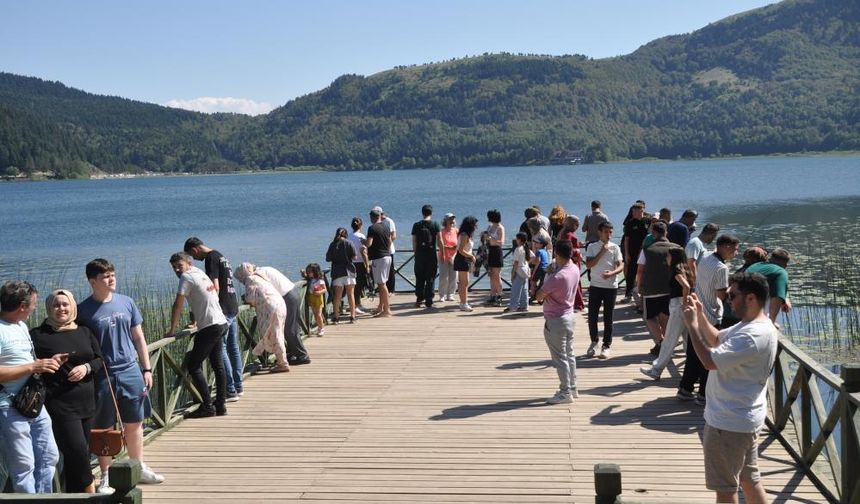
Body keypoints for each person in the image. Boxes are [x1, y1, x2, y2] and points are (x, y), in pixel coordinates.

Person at [682, 273, 777, 503]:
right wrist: (702, 316)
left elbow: (709, 361)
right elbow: (716, 340)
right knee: (750, 481)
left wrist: (692, 325)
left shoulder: (752, 336)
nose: (728, 300)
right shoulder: (755, 326)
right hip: (745, 419)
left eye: (733, 295)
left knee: (725, 489)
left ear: (751, 298)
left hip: (728, 424)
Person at [76, 259, 164, 493]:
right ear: (92, 281)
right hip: (102, 374)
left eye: (113, 274)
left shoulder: (127, 302)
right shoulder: (82, 310)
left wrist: (146, 368)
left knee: (135, 421)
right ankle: (106, 474)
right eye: (105, 276)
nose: (111, 279)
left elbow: (139, 338)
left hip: (130, 370)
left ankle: (138, 466)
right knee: (103, 425)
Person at [31, 289, 103, 493]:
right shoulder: (38, 335)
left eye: (65, 304)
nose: (61, 308)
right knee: (78, 451)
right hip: (59, 403)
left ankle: (73, 495)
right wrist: (46, 363)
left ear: (72, 306)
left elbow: (99, 359)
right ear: (48, 308)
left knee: (79, 454)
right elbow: (28, 365)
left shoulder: (84, 331)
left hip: (87, 402)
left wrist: (86, 368)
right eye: (56, 305)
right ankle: (91, 493)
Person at [0, 281, 61, 494]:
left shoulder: (21, 326)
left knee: (49, 455)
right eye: (34, 303)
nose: (36, 307)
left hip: (33, 401)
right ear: (22, 306)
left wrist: (46, 363)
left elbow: (27, 361)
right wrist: (32, 366)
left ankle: (45, 498)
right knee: (23, 465)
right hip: (8, 406)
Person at [677, 234, 741, 404]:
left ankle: (685, 388)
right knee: (709, 355)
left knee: (692, 353)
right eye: (735, 249)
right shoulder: (722, 268)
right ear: (726, 247)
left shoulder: (704, 257)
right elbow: (721, 295)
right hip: (711, 317)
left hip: (696, 312)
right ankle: (704, 395)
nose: (736, 253)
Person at [166, 252, 229, 419]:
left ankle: (208, 406)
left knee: (193, 366)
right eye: (174, 268)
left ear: (189, 262)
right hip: (221, 322)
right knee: (218, 365)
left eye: (179, 265)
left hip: (210, 327)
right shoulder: (199, 273)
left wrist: (172, 330)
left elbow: (178, 304)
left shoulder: (186, 277)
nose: (177, 270)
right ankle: (221, 405)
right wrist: (195, 322)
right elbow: (201, 298)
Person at [183, 238, 243, 401]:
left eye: (191, 255)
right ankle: (238, 385)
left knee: (222, 349)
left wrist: (206, 310)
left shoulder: (210, 259)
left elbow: (214, 287)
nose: (193, 259)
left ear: (195, 250)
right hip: (233, 305)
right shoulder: (221, 256)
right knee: (233, 348)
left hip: (222, 309)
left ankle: (230, 390)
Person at [536, 240, 580, 404]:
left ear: (556, 254)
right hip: (569, 316)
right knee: (570, 355)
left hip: (555, 320)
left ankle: (565, 392)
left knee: (560, 358)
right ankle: (573, 387)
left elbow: (539, 295)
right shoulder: (574, 269)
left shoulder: (557, 277)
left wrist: (547, 275)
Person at [640, 247, 692, 381]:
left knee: (669, 339)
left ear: (673, 257)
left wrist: (684, 302)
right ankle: (693, 370)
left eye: (668, 256)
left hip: (678, 306)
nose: (666, 259)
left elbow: (686, 286)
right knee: (687, 339)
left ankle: (656, 370)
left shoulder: (676, 270)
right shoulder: (686, 269)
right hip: (683, 306)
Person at [233, 263, 290, 372]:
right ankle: (280, 361)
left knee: (275, 335)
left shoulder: (250, 279)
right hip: (280, 304)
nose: (240, 280)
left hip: (271, 309)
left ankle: (283, 363)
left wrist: (245, 298)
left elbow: (250, 299)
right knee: (278, 333)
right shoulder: (259, 276)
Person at [636, 222, 681, 358]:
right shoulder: (677, 248)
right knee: (665, 317)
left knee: (650, 317)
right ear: (666, 232)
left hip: (651, 288)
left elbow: (640, 270)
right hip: (670, 289)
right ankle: (666, 344)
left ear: (653, 233)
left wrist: (639, 285)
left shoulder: (647, 249)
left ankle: (661, 342)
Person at [252, 264, 311, 365]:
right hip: (291, 293)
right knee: (288, 328)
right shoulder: (265, 269)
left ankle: (302, 355)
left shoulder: (259, 274)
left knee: (290, 329)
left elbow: (265, 290)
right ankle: (291, 353)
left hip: (287, 297)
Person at [585, 221, 624, 360]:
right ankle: (594, 342)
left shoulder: (615, 247)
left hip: (611, 287)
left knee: (608, 318)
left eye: (611, 232)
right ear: (599, 232)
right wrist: (602, 251)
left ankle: (606, 345)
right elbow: (589, 265)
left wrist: (612, 273)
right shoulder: (592, 247)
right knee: (592, 317)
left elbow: (621, 266)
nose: (609, 234)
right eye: (606, 231)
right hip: (595, 285)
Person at [746, 248, 792, 327]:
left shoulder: (756, 265)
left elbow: (779, 287)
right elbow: (777, 297)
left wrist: (785, 299)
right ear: (785, 264)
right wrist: (771, 323)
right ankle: (769, 322)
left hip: (739, 308)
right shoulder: (781, 272)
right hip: (752, 312)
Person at [411, 205, 442, 308]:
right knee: (430, 278)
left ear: (422, 213)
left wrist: (416, 254)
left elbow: (414, 242)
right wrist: (442, 253)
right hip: (431, 255)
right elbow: (440, 241)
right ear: (431, 213)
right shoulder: (435, 224)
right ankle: (429, 300)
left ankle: (419, 299)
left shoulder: (416, 225)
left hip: (420, 255)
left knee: (419, 277)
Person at [326, 227, 358, 322]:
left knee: (337, 296)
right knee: (350, 295)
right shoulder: (349, 243)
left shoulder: (332, 244)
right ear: (346, 234)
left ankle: (336, 317)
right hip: (349, 271)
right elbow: (355, 257)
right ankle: (352, 316)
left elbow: (328, 258)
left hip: (337, 272)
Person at [366, 208, 393, 317]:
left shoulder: (372, 228)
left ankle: (387, 310)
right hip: (387, 256)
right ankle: (381, 307)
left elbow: (369, 244)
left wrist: (363, 241)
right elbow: (390, 241)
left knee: (381, 285)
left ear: (372, 217)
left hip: (378, 258)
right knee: (383, 283)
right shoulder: (386, 226)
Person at [622, 202, 650, 303]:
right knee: (631, 273)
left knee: (644, 273)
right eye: (633, 211)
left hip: (645, 252)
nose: (633, 213)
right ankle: (628, 294)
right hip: (632, 252)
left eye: (635, 211)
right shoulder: (630, 223)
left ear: (641, 211)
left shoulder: (648, 221)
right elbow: (626, 239)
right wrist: (626, 254)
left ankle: (643, 294)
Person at [454, 216, 478, 312]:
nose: (475, 226)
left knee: (464, 282)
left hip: (465, 258)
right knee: (464, 283)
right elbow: (461, 250)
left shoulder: (465, 234)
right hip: (463, 258)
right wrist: (471, 256)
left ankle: (463, 302)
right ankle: (464, 303)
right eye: (474, 224)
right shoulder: (464, 235)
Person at [347, 217, 370, 314]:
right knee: (359, 285)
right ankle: (356, 305)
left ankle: (357, 303)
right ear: (360, 225)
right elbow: (364, 252)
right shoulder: (361, 236)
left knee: (353, 285)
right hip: (360, 263)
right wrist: (367, 265)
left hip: (350, 263)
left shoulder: (348, 236)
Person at [372, 206, 398, 294]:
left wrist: (386, 245)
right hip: (379, 251)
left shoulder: (389, 221)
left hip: (388, 250)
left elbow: (393, 236)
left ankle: (391, 290)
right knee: (380, 273)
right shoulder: (375, 223)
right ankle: (381, 289)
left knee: (390, 271)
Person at [686, 223, 720, 287]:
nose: (713, 239)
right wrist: (695, 282)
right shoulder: (695, 243)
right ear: (711, 234)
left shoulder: (700, 243)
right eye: (714, 236)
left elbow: (701, 256)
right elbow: (691, 262)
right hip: (693, 282)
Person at [483, 209, 505, 306]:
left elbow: (501, 242)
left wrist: (491, 239)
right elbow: (486, 238)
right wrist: (484, 237)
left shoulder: (500, 228)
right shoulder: (490, 226)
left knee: (497, 275)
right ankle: (492, 295)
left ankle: (499, 296)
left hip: (496, 251)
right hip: (490, 251)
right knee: (491, 274)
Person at [505, 232, 531, 313]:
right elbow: (532, 258)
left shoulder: (518, 249)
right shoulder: (526, 248)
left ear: (519, 239)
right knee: (524, 289)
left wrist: (512, 274)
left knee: (515, 290)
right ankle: (524, 306)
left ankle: (513, 306)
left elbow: (515, 263)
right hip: (526, 269)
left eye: (517, 238)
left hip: (519, 270)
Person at [437, 213, 459, 302]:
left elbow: (459, 243)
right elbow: (439, 244)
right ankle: (442, 295)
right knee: (443, 276)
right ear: (445, 221)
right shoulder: (441, 231)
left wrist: (453, 249)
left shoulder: (456, 231)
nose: (452, 221)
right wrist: (444, 252)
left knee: (454, 276)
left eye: (453, 219)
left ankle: (451, 294)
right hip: (443, 255)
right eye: (450, 219)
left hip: (454, 256)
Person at [304, 263, 328, 334]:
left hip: (318, 298)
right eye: (307, 272)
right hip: (311, 297)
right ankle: (320, 325)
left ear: (315, 272)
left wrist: (319, 292)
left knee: (318, 314)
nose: (308, 273)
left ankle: (321, 329)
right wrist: (303, 274)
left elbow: (325, 289)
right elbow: (306, 277)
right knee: (315, 314)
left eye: (310, 272)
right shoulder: (310, 279)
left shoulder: (320, 280)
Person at [529, 235, 550, 303]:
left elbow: (538, 262)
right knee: (542, 283)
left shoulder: (538, 251)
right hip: (545, 268)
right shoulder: (545, 251)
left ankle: (533, 296)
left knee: (532, 281)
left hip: (540, 268)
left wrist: (534, 272)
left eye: (537, 243)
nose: (535, 244)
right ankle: (540, 296)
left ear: (541, 244)